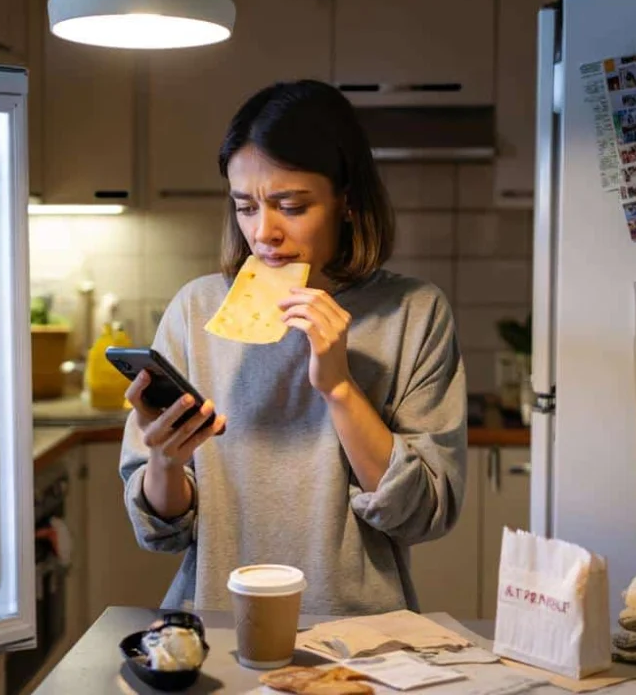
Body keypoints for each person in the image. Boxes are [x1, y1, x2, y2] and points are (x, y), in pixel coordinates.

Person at [118, 79, 467, 616]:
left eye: (291, 205)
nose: (264, 232)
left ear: (346, 200)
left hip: (363, 637)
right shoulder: (196, 310)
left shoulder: (414, 312)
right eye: (246, 207)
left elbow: (424, 513)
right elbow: (161, 531)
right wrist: (164, 461)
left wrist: (340, 386)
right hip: (215, 625)